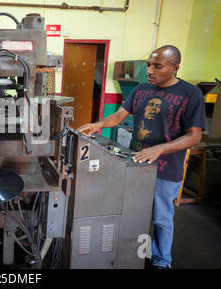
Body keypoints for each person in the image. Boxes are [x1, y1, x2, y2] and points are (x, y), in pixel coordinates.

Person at [77, 45, 205, 269]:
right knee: (135, 214)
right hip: (135, 164)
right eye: (148, 65)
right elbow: (119, 115)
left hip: (166, 169)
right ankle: (136, 254)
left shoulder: (190, 94)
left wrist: (160, 149)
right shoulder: (141, 89)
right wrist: (98, 125)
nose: (150, 70)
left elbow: (194, 136)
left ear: (174, 67)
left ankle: (161, 260)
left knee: (161, 218)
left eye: (157, 66)